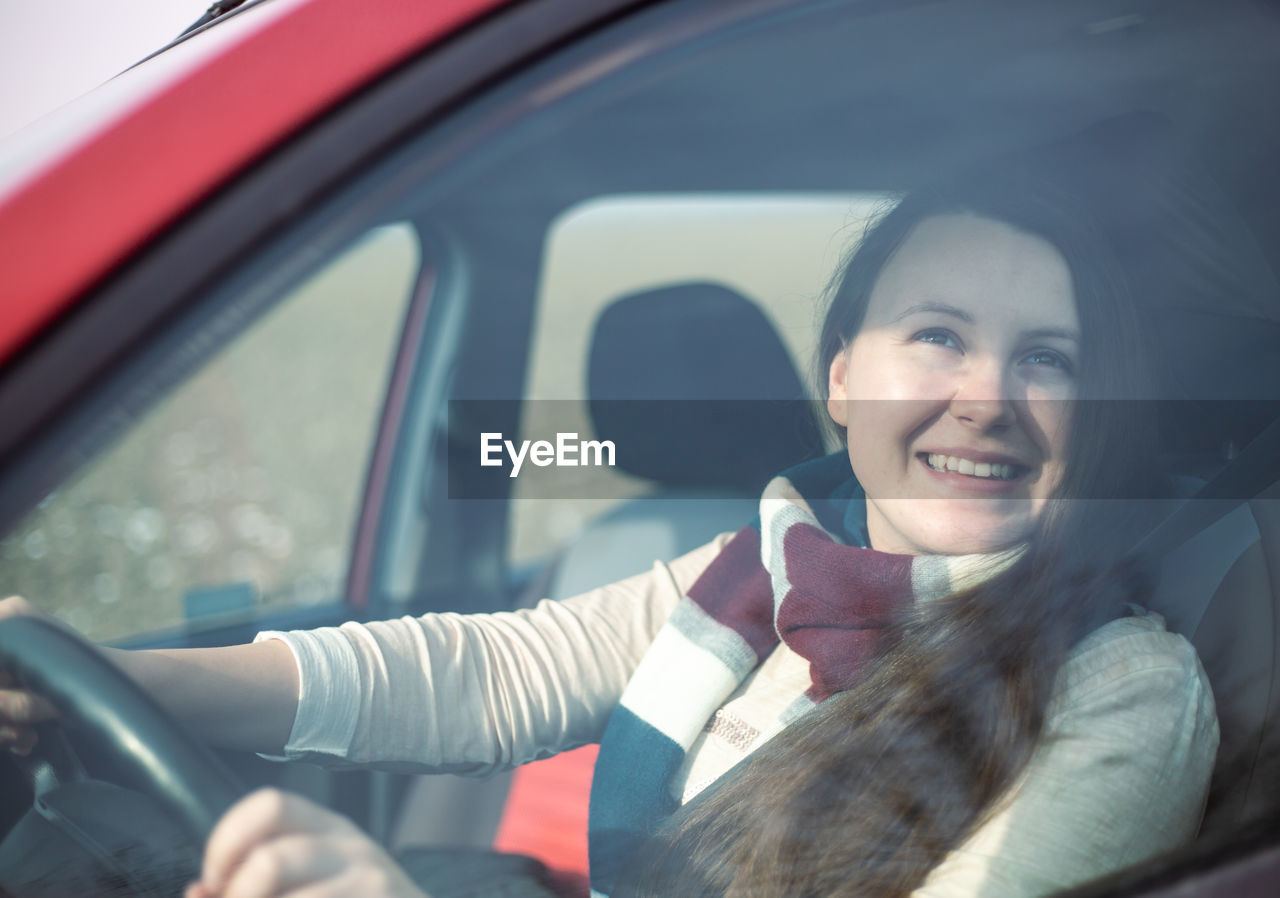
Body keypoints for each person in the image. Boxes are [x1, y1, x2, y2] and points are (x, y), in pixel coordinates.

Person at [0, 162, 1218, 898]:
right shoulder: (769, 565)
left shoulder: (1122, 688)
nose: (986, 398)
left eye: (1047, 359)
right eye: (938, 336)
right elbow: (492, 671)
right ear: (842, 377)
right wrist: (116, 679)